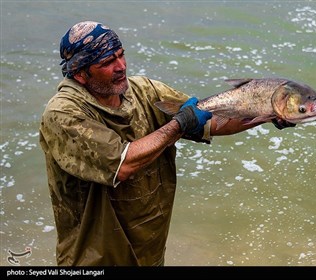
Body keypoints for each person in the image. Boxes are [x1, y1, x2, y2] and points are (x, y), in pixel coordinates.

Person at [39, 21, 294, 266]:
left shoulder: (146, 91)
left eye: (121, 54)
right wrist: (178, 125)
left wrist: (267, 112)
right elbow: (122, 164)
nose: (121, 66)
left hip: (148, 249)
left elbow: (211, 122)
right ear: (81, 74)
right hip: (95, 256)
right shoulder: (63, 114)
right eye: (108, 62)